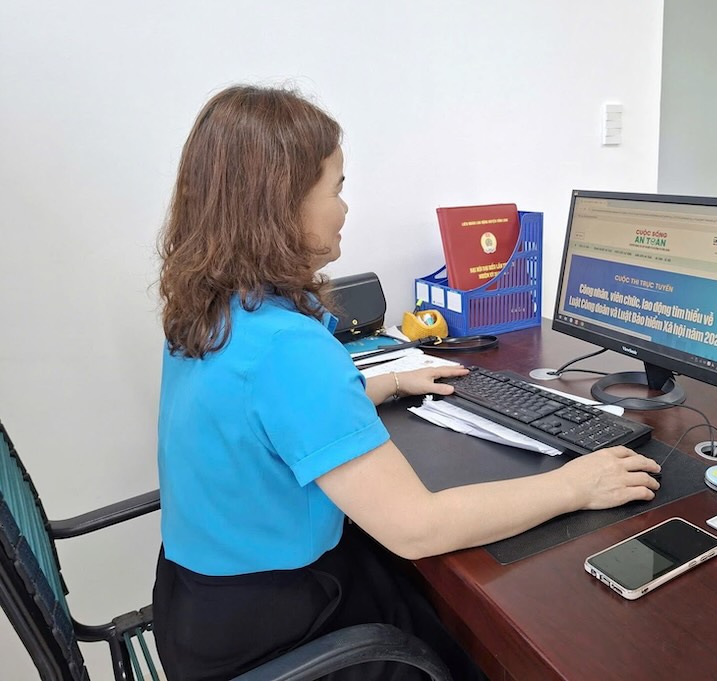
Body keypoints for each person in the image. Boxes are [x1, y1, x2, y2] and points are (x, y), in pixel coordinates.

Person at [153, 84, 661, 681]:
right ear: (282, 203)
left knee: (425, 598)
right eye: (336, 188)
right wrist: (576, 485)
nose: (345, 207)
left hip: (198, 604)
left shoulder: (210, 310)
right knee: (473, 634)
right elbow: (417, 528)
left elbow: (257, 421)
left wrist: (382, 388)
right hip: (275, 631)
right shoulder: (287, 350)